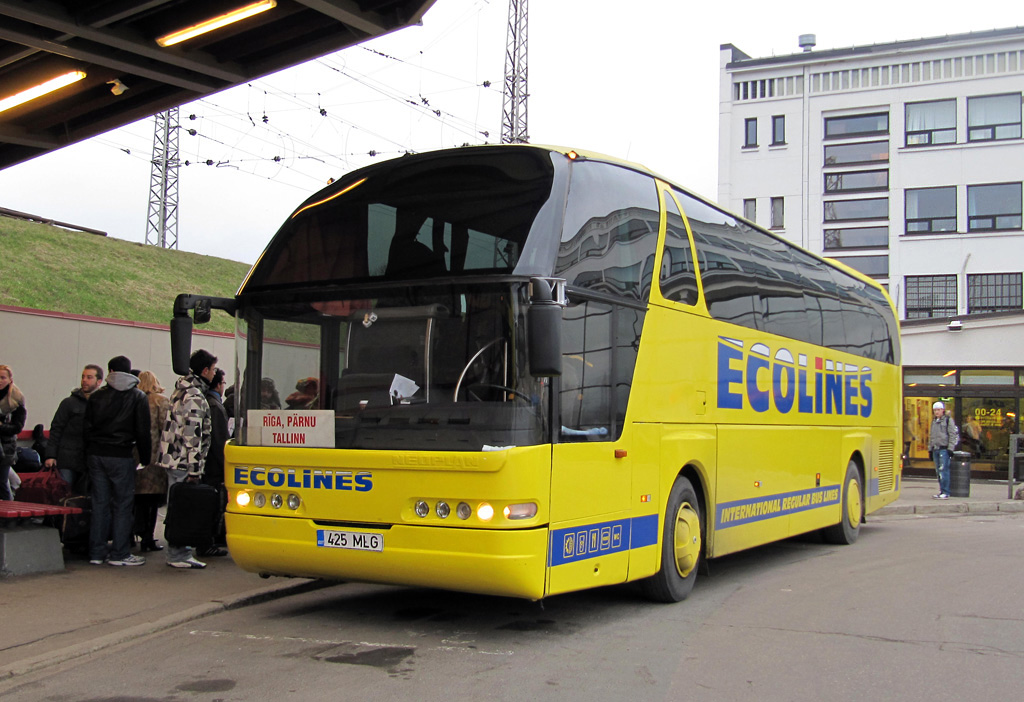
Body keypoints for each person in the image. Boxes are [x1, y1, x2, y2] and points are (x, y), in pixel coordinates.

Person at [83, 356, 151, 566]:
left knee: (100, 503)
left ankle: (96, 552)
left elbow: (87, 427)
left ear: (110, 371)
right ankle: (120, 553)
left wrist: (89, 452)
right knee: (122, 505)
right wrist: (145, 458)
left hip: (96, 454)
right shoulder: (138, 396)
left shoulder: (97, 396)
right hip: (121, 455)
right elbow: (142, 430)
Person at [158, 348, 217, 569]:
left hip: (174, 458)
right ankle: (178, 554)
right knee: (182, 508)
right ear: (204, 370)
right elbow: (192, 434)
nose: (213, 374)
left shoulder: (181, 390)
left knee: (177, 505)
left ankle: (178, 552)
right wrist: (195, 468)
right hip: (184, 461)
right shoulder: (194, 396)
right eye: (212, 370)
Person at [45, 364, 104, 493]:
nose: (84, 380)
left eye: (89, 377)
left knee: (85, 496)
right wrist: (51, 455)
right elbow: (56, 428)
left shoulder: (102, 403)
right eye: (83, 377)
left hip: (90, 459)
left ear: (99, 381)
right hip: (67, 458)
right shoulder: (69, 403)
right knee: (65, 492)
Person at [134, 371, 170, 552]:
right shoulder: (160, 401)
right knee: (153, 500)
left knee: (137, 499)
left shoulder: (134, 399)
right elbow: (166, 427)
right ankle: (148, 537)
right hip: (156, 458)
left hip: (136, 456)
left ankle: (134, 533)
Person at [200, 368, 229, 557]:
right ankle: (207, 541)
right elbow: (219, 440)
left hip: (207, 463)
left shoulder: (208, 402)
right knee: (212, 504)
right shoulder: (215, 406)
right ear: (218, 385)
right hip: (213, 466)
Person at [0, 364, 27, 501]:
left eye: (2, 377)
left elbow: (17, 427)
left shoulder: (16, 400)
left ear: (10, 379)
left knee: (2, 483)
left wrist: (2, 426)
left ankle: (9, 516)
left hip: (6, 447)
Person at [928, 401, 959, 500]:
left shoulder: (948, 420)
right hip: (936, 449)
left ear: (942, 410)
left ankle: (946, 491)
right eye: (935, 410)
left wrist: (950, 448)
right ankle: (942, 491)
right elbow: (932, 436)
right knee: (938, 471)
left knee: (943, 470)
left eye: (938, 410)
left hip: (944, 449)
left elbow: (952, 435)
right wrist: (930, 449)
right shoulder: (934, 421)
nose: (936, 412)